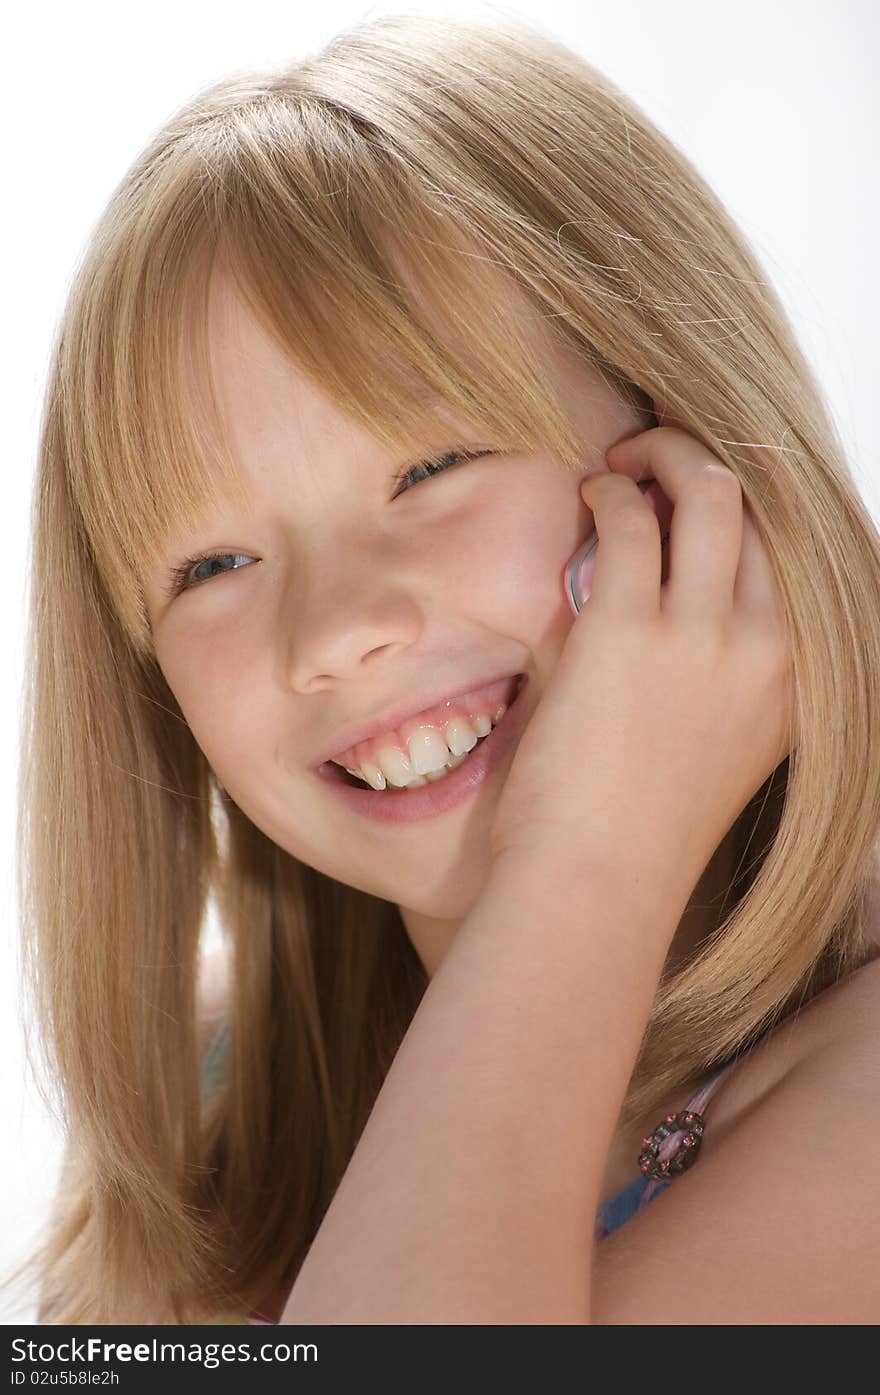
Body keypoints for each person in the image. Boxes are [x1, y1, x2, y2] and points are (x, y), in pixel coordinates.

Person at [13, 11, 880, 1324]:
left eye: (431, 469)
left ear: (694, 454)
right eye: (210, 566)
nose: (334, 630)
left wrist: (591, 848)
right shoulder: (220, 1095)